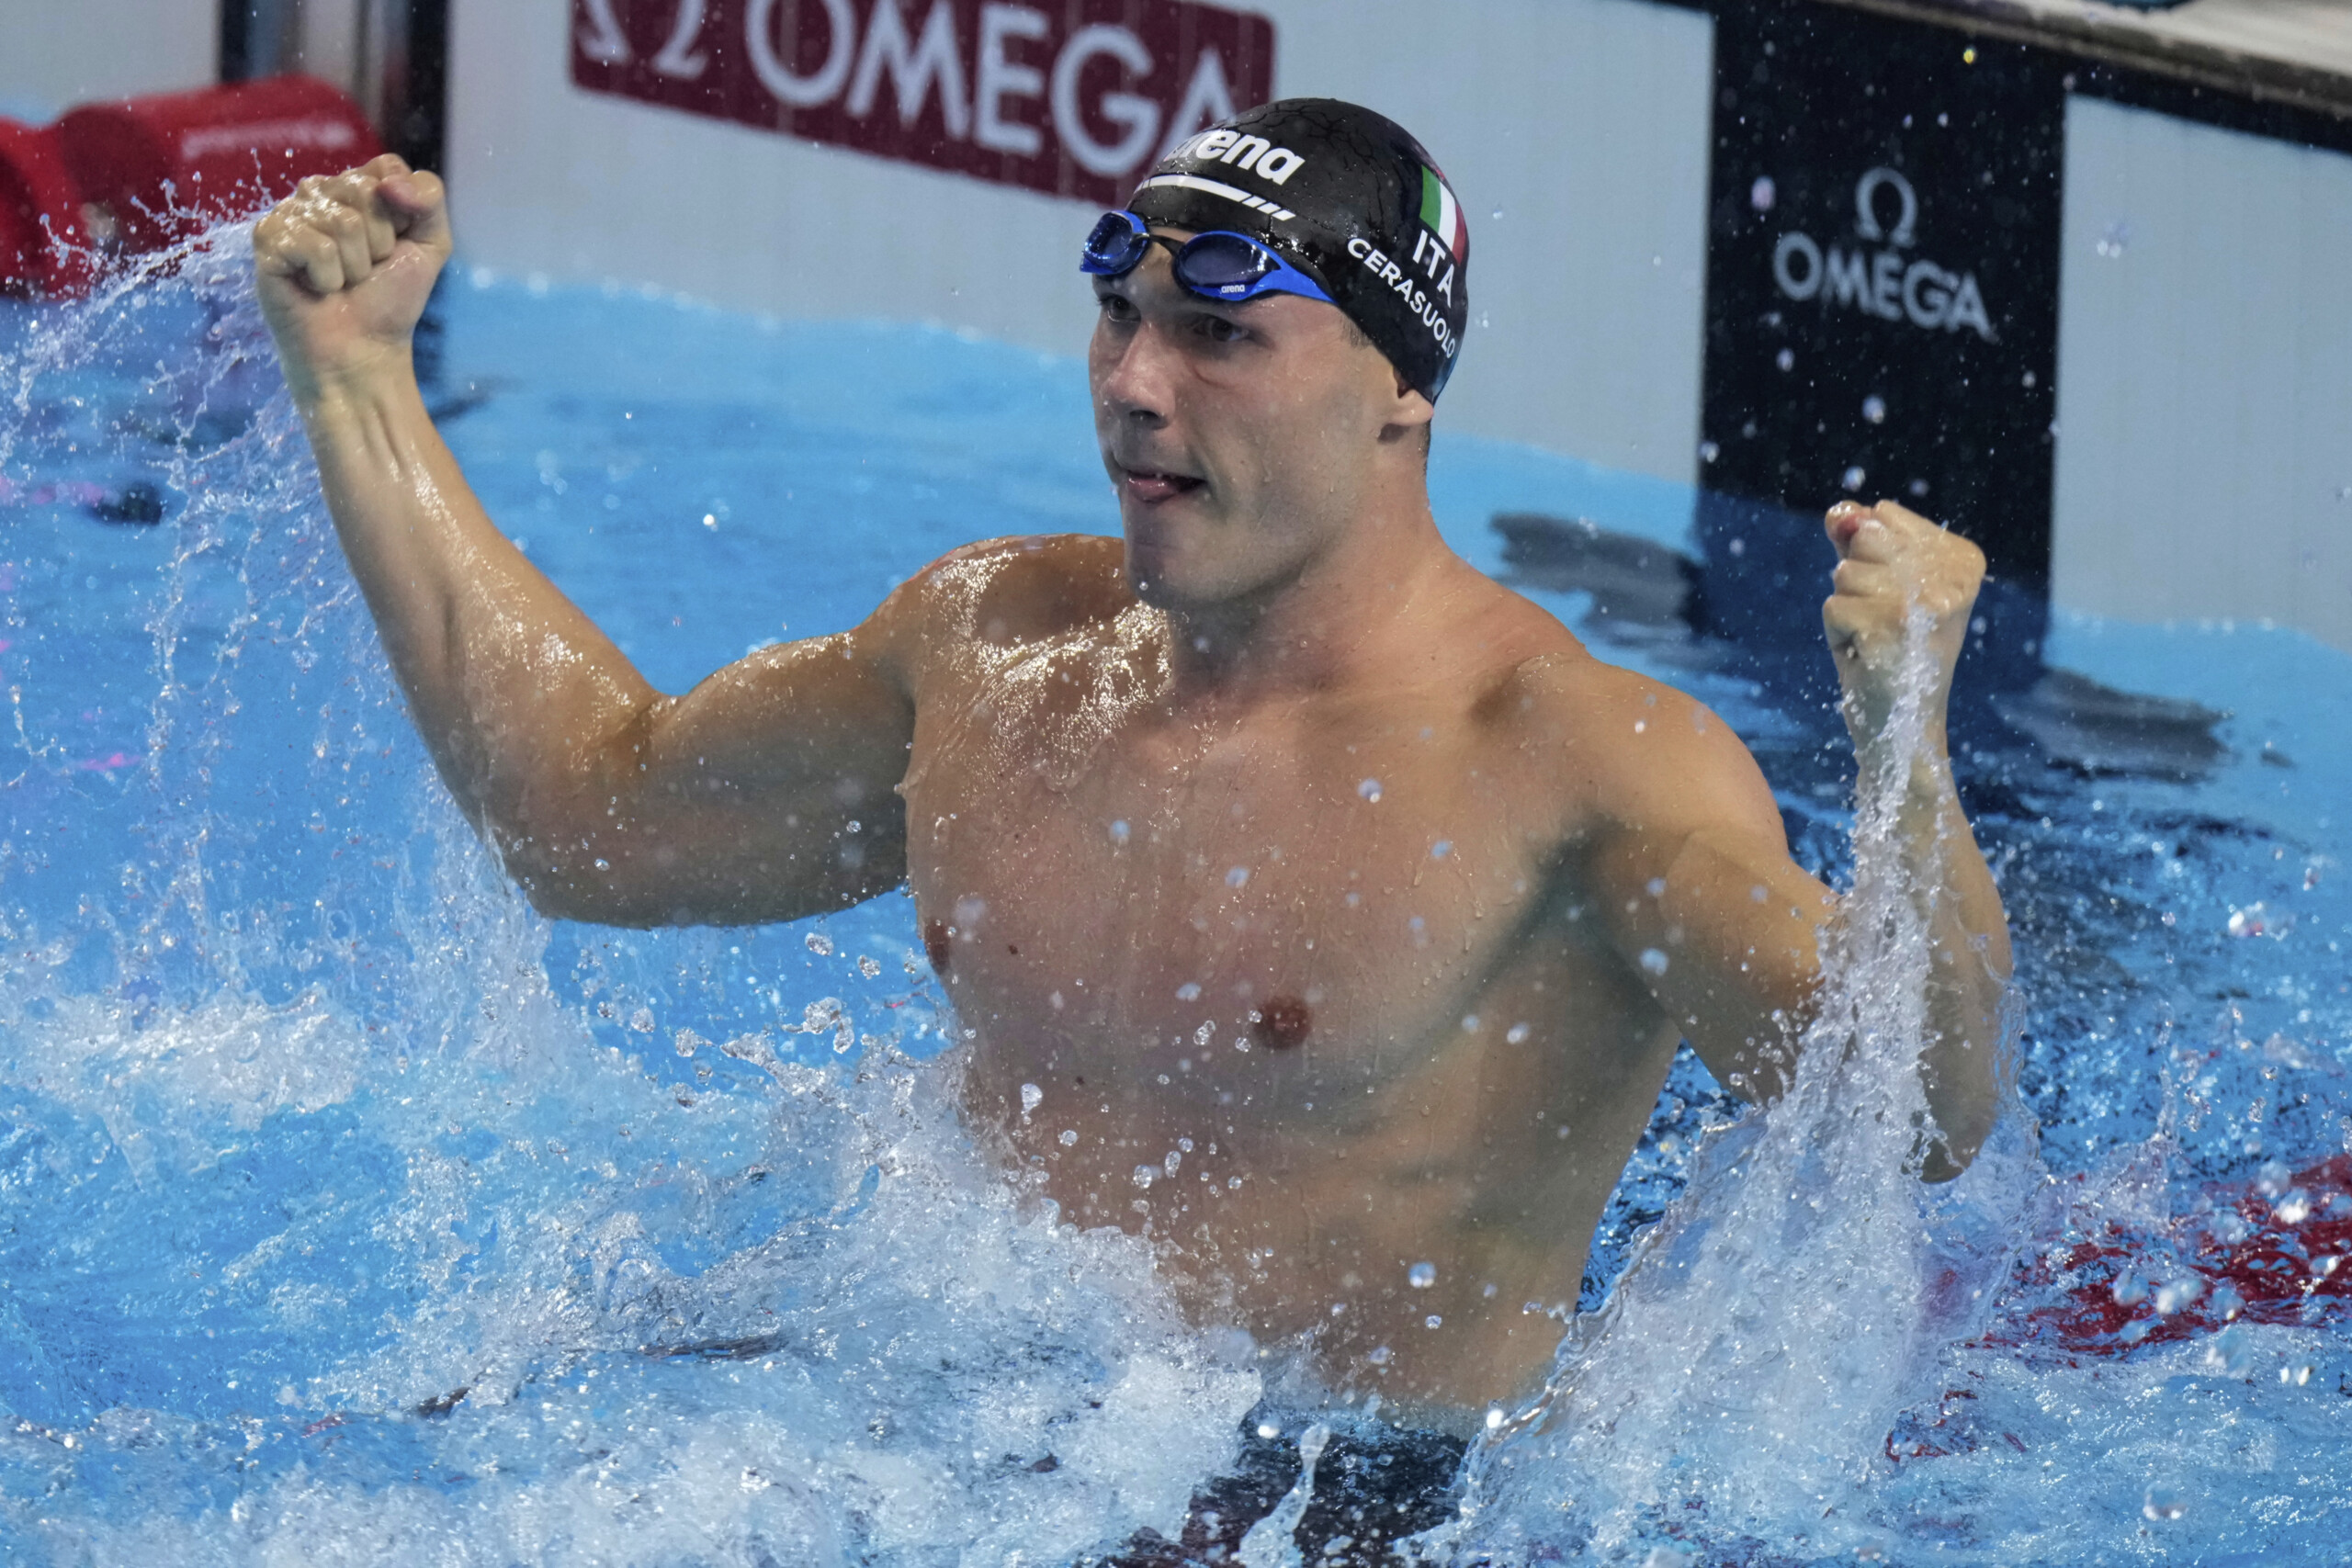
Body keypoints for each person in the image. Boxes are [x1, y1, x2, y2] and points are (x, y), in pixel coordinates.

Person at [254, 99, 2008, 1439]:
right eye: (1122, 317)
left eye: (1223, 336)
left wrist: (1906, 750)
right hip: (955, 1420)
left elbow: (1916, 1115)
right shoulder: (996, 648)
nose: (1133, 387)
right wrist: (360, 384)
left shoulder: (1576, 766)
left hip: (1356, 1507)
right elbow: (594, 823)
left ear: (1401, 389)